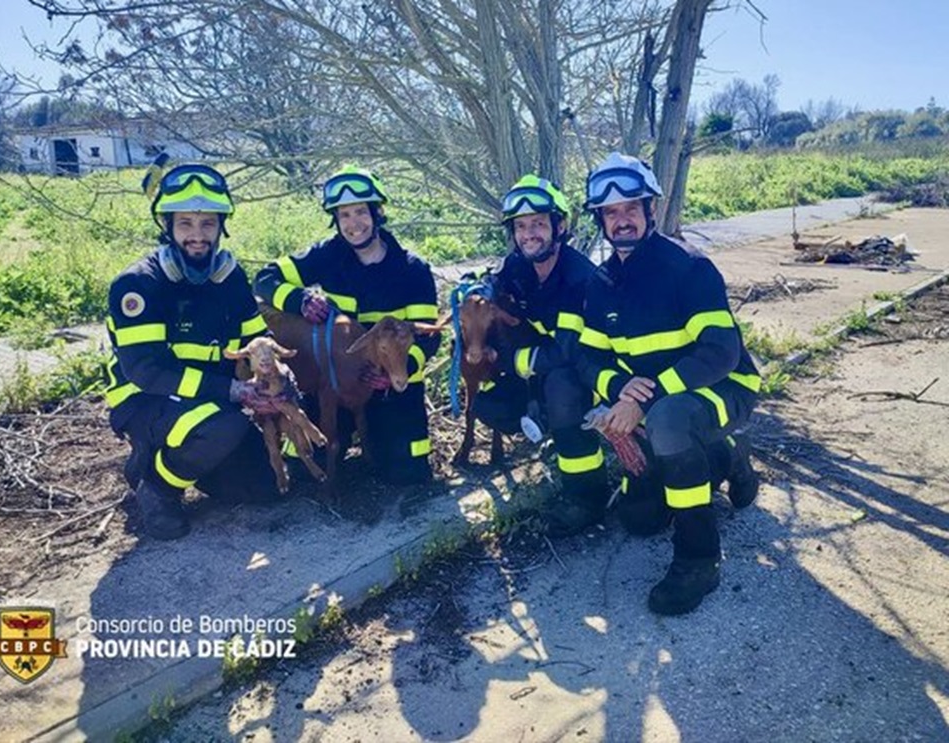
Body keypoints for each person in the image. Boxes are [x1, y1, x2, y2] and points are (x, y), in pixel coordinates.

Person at [577, 152, 761, 615]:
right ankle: (725, 458)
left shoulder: (688, 268)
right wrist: (621, 387)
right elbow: (587, 356)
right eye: (612, 213)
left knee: (669, 421)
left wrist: (647, 397)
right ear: (601, 219)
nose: (622, 221)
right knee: (640, 521)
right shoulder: (600, 283)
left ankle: (699, 559)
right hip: (657, 401)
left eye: (631, 209)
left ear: (650, 211)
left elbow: (721, 352)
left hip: (724, 389)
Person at [105, 159, 286, 540]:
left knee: (264, 486)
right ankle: (157, 486)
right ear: (167, 226)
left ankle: (176, 462)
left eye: (208, 224)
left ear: (221, 227)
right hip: (146, 400)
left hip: (205, 400)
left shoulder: (229, 277)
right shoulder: (137, 286)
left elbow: (258, 339)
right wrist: (234, 391)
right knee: (225, 426)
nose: (197, 235)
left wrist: (277, 380)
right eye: (185, 223)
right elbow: (147, 372)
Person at [253, 165, 439, 485]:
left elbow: (429, 338)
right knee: (307, 467)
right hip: (337, 382)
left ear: (377, 213)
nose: (354, 224)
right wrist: (300, 300)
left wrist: (401, 368)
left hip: (391, 385)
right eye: (344, 216)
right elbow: (264, 280)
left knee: (406, 472)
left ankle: (383, 444)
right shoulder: (327, 255)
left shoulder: (413, 270)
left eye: (360, 212)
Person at [467, 174, 608, 535]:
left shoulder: (579, 277)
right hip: (541, 368)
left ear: (559, 226)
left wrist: (511, 362)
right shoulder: (517, 266)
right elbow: (495, 292)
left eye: (539, 224)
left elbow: (566, 352)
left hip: (590, 373)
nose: (530, 233)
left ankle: (587, 496)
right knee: (490, 405)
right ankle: (553, 432)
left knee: (561, 389)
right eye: (521, 226)